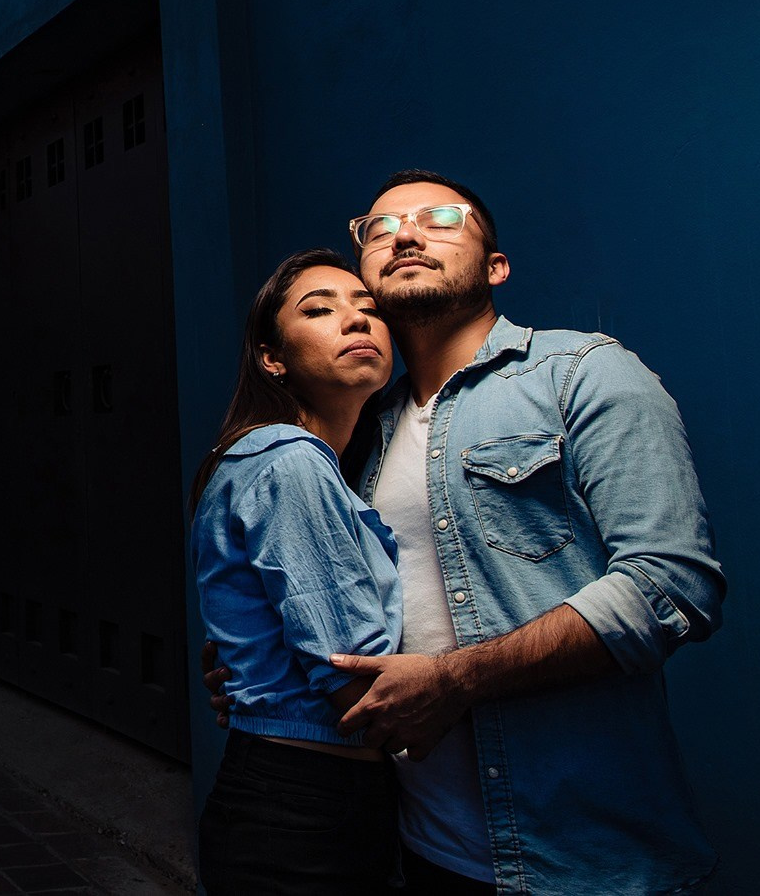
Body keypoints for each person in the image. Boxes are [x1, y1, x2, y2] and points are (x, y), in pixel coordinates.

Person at [210, 171, 726, 895]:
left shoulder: (582, 374)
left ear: (496, 266)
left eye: (442, 218)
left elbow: (672, 585)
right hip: (411, 844)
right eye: (380, 228)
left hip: (577, 859)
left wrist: (457, 679)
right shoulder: (356, 432)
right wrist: (261, 666)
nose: (408, 234)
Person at [191, 250, 400, 895]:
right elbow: (353, 683)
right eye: (319, 309)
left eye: (369, 309)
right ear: (271, 358)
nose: (355, 320)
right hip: (302, 806)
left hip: (299, 793)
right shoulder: (289, 461)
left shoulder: (313, 463)